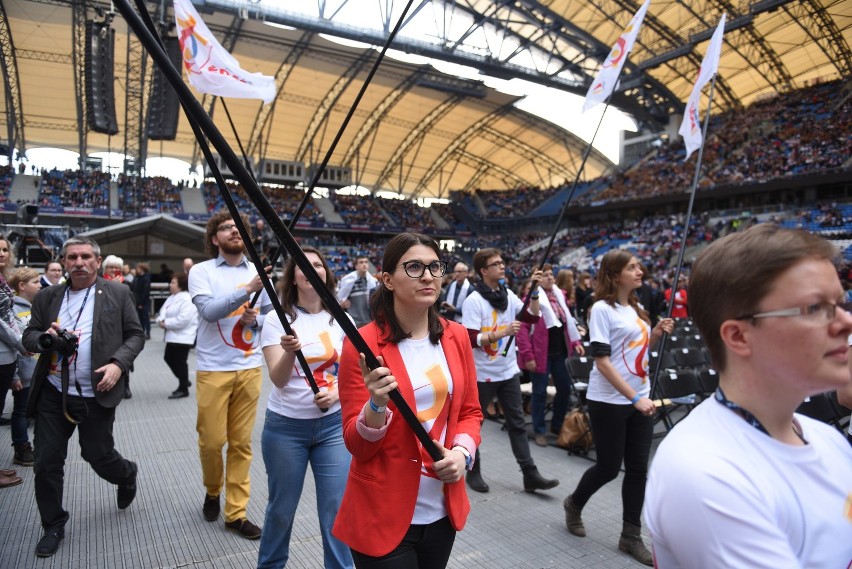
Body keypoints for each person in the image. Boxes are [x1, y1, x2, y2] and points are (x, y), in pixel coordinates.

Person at [645, 225, 852, 567]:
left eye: (841, 304)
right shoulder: (703, 472)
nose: (845, 323)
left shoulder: (829, 440)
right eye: (815, 308)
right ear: (739, 336)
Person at [333, 232, 482, 568]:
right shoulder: (362, 344)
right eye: (414, 267)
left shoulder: (455, 336)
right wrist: (375, 406)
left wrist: (462, 454)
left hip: (442, 511)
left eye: (434, 267)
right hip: (382, 513)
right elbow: (357, 446)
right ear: (387, 279)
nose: (428, 276)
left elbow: (471, 412)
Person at [23, 236, 144, 558]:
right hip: (53, 392)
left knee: (98, 455)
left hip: (96, 393)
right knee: (46, 462)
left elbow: (136, 334)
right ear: (63, 262)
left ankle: (127, 473)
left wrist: (118, 365)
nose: (79, 262)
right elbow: (29, 336)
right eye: (72, 257)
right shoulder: (48, 296)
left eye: (86, 256)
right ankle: (53, 524)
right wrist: (46, 341)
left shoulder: (117, 292)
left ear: (98, 260)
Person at [562, 250, 673, 566]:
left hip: (640, 396)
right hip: (610, 400)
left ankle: (630, 536)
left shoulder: (636, 309)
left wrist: (654, 334)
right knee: (609, 467)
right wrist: (634, 398)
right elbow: (603, 361)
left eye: (639, 266)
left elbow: (635, 351)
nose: (641, 271)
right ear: (613, 275)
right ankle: (574, 503)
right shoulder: (601, 309)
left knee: (638, 468)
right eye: (632, 267)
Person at [257, 247, 353, 569]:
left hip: (333, 429)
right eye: (303, 266)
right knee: (281, 509)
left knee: (336, 510)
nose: (312, 270)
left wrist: (336, 394)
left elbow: (354, 376)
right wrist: (288, 351)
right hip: (286, 429)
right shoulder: (276, 319)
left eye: (318, 265)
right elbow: (279, 379)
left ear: (326, 273)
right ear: (293, 277)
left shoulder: (342, 319)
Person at [188, 211, 271, 540]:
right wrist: (247, 290)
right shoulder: (201, 271)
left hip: (249, 368)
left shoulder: (257, 272)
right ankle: (212, 491)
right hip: (213, 369)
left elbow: (269, 318)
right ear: (214, 238)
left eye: (238, 228)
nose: (234, 231)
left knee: (240, 444)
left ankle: (236, 513)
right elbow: (208, 311)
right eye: (226, 228)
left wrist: (256, 320)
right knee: (211, 442)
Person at [460, 248, 559, 494]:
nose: (502, 266)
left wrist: (534, 293)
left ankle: (530, 473)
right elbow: (470, 338)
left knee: (516, 423)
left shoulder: (507, 293)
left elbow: (531, 317)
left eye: (502, 262)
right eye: (496, 264)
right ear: (483, 270)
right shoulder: (474, 300)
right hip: (482, 374)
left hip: (507, 371)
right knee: (476, 424)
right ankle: (473, 470)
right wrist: (501, 333)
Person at [516, 264, 584, 447]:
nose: (549, 277)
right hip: (540, 354)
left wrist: (576, 342)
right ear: (536, 279)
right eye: (544, 275)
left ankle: (556, 424)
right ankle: (539, 430)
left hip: (560, 352)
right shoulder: (529, 299)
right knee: (539, 392)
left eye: (550, 274)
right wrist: (528, 355)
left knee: (565, 390)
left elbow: (568, 323)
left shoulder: (560, 297)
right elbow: (522, 331)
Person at [10, 267, 41, 467]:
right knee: (20, 411)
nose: (40, 285)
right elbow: (10, 345)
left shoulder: (32, 307)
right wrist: (14, 375)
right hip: (19, 372)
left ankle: (28, 445)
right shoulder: (12, 310)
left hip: (32, 370)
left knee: (27, 409)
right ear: (22, 286)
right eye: (35, 282)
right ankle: (21, 447)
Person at [0, 239, 27, 456]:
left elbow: (10, 315)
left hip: (7, 355)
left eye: (5, 249)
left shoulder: (3, 280)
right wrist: (21, 342)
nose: (2, 254)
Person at [156, 272, 197, 399]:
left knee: (180, 362)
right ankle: (184, 380)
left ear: (181, 285)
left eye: (173, 283)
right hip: (172, 335)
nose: (170, 285)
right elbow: (163, 311)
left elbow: (183, 319)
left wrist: (166, 323)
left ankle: (183, 388)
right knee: (168, 358)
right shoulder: (172, 297)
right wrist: (161, 321)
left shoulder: (187, 299)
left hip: (183, 336)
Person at [336, 256, 378, 328]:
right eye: (361, 262)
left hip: (370, 322)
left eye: (366, 262)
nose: (364, 264)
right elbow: (340, 299)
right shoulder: (348, 281)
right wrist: (342, 305)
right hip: (354, 323)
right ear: (356, 266)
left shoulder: (373, 281)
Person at [134, 262, 152, 341]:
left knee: (145, 318)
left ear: (141, 269)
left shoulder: (146, 279)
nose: (136, 270)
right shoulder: (138, 278)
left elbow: (145, 292)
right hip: (139, 302)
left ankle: (147, 333)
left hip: (144, 302)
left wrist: (141, 303)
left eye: (138, 268)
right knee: (140, 318)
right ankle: (142, 332)